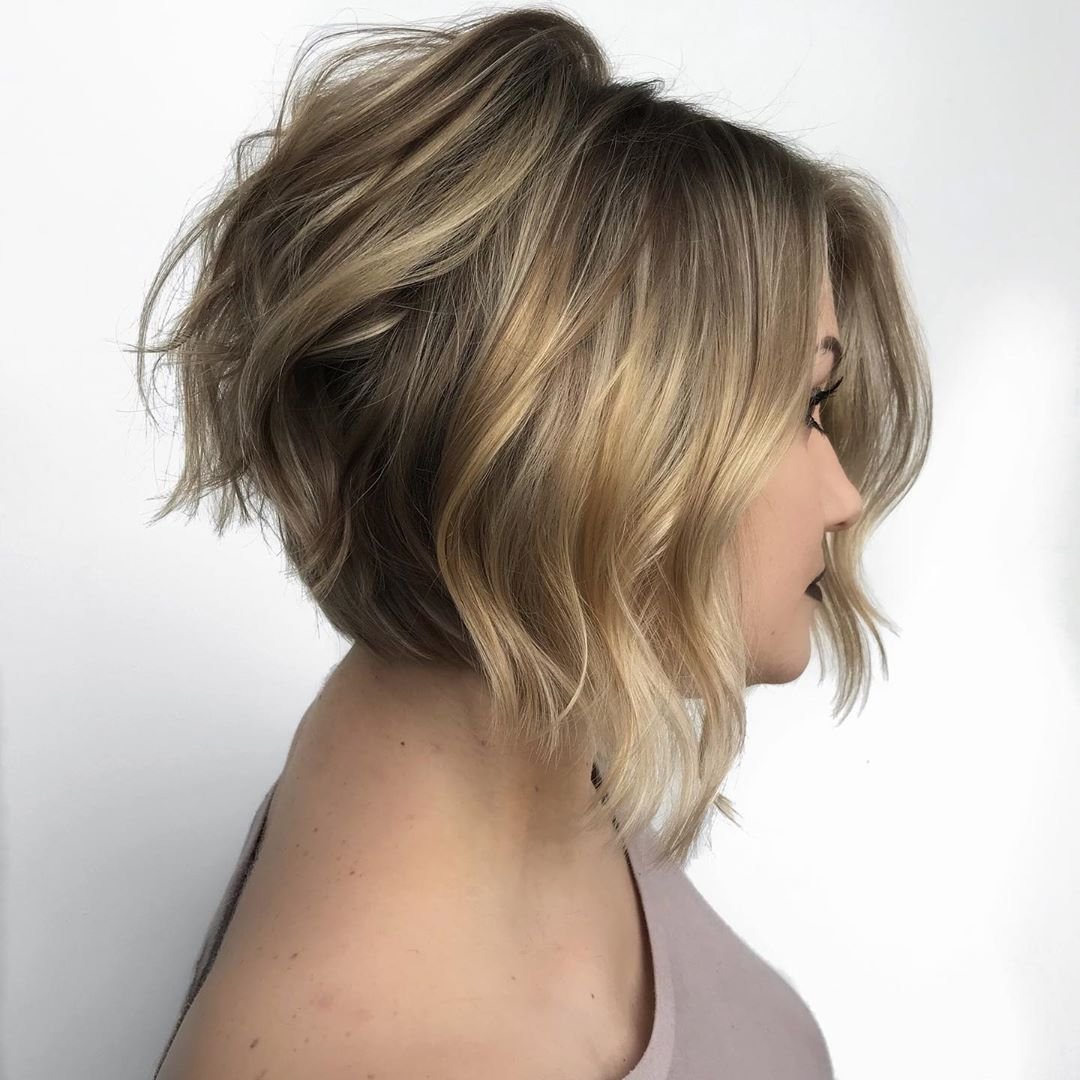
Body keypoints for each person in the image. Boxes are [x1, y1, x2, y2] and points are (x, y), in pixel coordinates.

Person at [133, 8, 932, 1079]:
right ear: (602, 438)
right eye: (801, 405)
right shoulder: (366, 1044)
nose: (843, 495)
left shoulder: (527, 782)